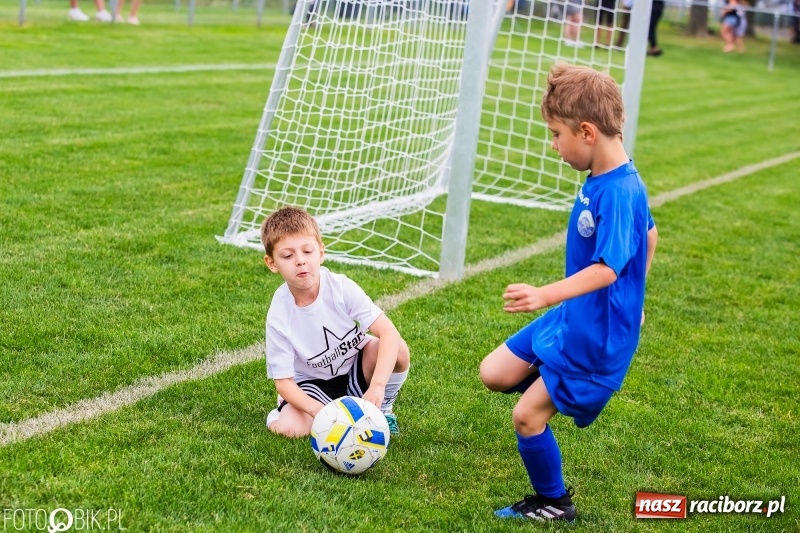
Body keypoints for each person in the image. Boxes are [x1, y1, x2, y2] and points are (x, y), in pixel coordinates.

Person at [480, 63, 658, 523]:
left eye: (557, 134)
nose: (553, 145)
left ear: (586, 131)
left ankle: (554, 502)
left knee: (526, 417)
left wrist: (546, 294)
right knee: (494, 373)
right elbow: (651, 235)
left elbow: (606, 270)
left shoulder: (618, 190)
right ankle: (547, 377)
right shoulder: (606, 177)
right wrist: (640, 297)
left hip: (594, 341)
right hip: (575, 320)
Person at [262, 206, 410, 438]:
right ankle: (276, 417)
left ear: (321, 253)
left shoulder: (340, 287)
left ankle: (384, 410)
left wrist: (378, 387)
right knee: (291, 429)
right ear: (272, 263)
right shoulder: (279, 315)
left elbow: (389, 332)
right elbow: (284, 384)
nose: (300, 261)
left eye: (307, 251)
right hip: (313, 385)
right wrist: (320, 412)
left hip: (354, 367)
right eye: (288, 256)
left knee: (398, 349)